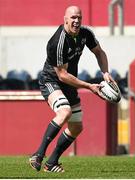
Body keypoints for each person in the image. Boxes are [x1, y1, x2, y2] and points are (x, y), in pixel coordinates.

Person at [29, 5, 114, 173]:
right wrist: (89, 86)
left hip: (69, 83)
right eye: (73, 18)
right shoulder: (57, 42)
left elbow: (99, 52)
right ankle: (38, 154)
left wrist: (105, 73)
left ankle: (52, 162)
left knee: (76, 127)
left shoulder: (85, 34)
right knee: (64, 112)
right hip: (51, 80)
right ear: (65, 19)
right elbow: (61, 75)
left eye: (79, 18)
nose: (76, 21)